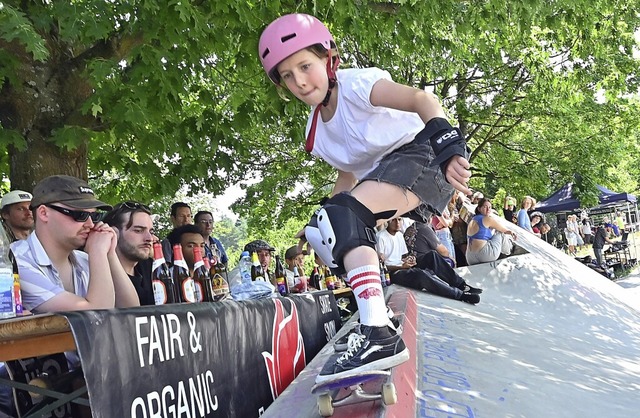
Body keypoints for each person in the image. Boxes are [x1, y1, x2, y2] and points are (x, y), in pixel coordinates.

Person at [259, 13, 471, 380]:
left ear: (329, 60)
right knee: (324, 231)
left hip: (423, 153)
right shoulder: (315, 131)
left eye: (305, 66)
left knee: (343, 217)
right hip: (388, 172)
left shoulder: (357, 86)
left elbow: (421, 99)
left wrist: (448, 142)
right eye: (288, 76)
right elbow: (348, 173)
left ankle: (378, 333)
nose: (299, 81)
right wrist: (322, 223)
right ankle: (377, 313)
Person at [10, 175, 140, 313]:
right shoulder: (15, 262)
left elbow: (132, 311)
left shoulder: (85, 260)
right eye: (79, 215)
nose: (90, 224)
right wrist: (98, 252)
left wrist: (110, 254)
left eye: (95, 216)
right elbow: (96, 315)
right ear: (44, 213)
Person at [382, 218, 481, 304]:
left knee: (432, 255)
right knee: (420, 274)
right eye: (394, 220)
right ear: (388, 221)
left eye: (399, 219)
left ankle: (461, 285)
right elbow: (382, 267)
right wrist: (401, 267)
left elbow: (402, 256)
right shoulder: (381, 237)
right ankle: (460, 295)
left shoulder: (399, 235)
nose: (397, 223)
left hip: (403, 266)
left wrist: (409, 260)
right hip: (393, 273)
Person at [102, 201, 156, 306]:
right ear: (113, 233)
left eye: (151, 232)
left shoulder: (152, 268)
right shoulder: (98, 272)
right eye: (138, 231)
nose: (149, 238)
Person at [466, 198, 517, 265]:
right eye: (485, 207)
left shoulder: (473, 220)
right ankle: (510, 250)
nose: (488, 209)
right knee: (499, 233)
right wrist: (512, 232)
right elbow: (504, 230)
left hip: (470, 257)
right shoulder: (488, 219)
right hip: (484, 254)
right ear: (479, 208)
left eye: (490, 207)